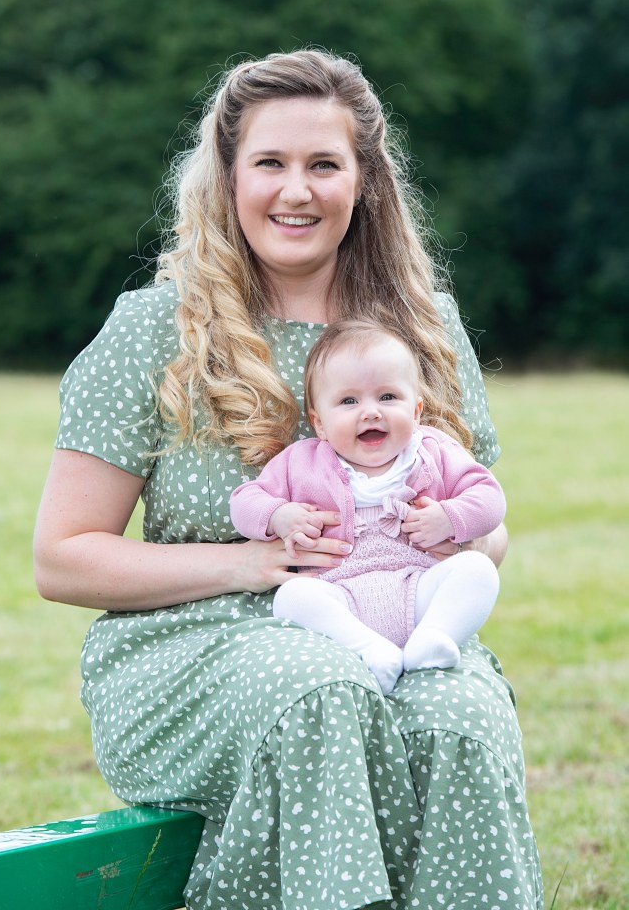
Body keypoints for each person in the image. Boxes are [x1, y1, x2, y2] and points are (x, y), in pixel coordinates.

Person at [34, 49, 543, 909]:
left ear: (365, 182)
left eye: (323, 165)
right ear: (228, 178)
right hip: (194, 646)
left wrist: (450, 530)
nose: (295, 190)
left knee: (462, 717)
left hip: (392, 622)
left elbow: (487, 523)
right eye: (269, 162)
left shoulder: (420, 328)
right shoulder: (156, 329)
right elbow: (62, 560)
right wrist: (251, 562)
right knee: (317, 691)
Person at [229, 319, 506, 695]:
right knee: (293, 598)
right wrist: (279, 516)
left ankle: (433, 638)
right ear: (320, 424)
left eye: (388, 397)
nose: (371, 412)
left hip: (420, 588)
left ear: (417, 410)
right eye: (348, 401)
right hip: (340, 596)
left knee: (478, 570)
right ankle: (370, 651)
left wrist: (449, 519)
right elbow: (244, 503)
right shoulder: (302, 462)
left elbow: (490, 498)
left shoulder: (433, 452)